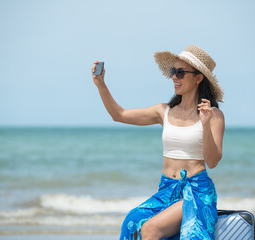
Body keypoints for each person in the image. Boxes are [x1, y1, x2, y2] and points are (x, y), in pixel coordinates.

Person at [91, 45, 225, 240]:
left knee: (151, 229)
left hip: (196, 192)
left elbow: (212, 162)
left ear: (198, 78)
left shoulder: (214, 116)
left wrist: (205, 125)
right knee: (132, 221)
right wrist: (101, 84)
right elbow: (118, 114)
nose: (174, 77)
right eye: (173, 72)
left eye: (180, 72)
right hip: (166, 190)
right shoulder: (164, 111)